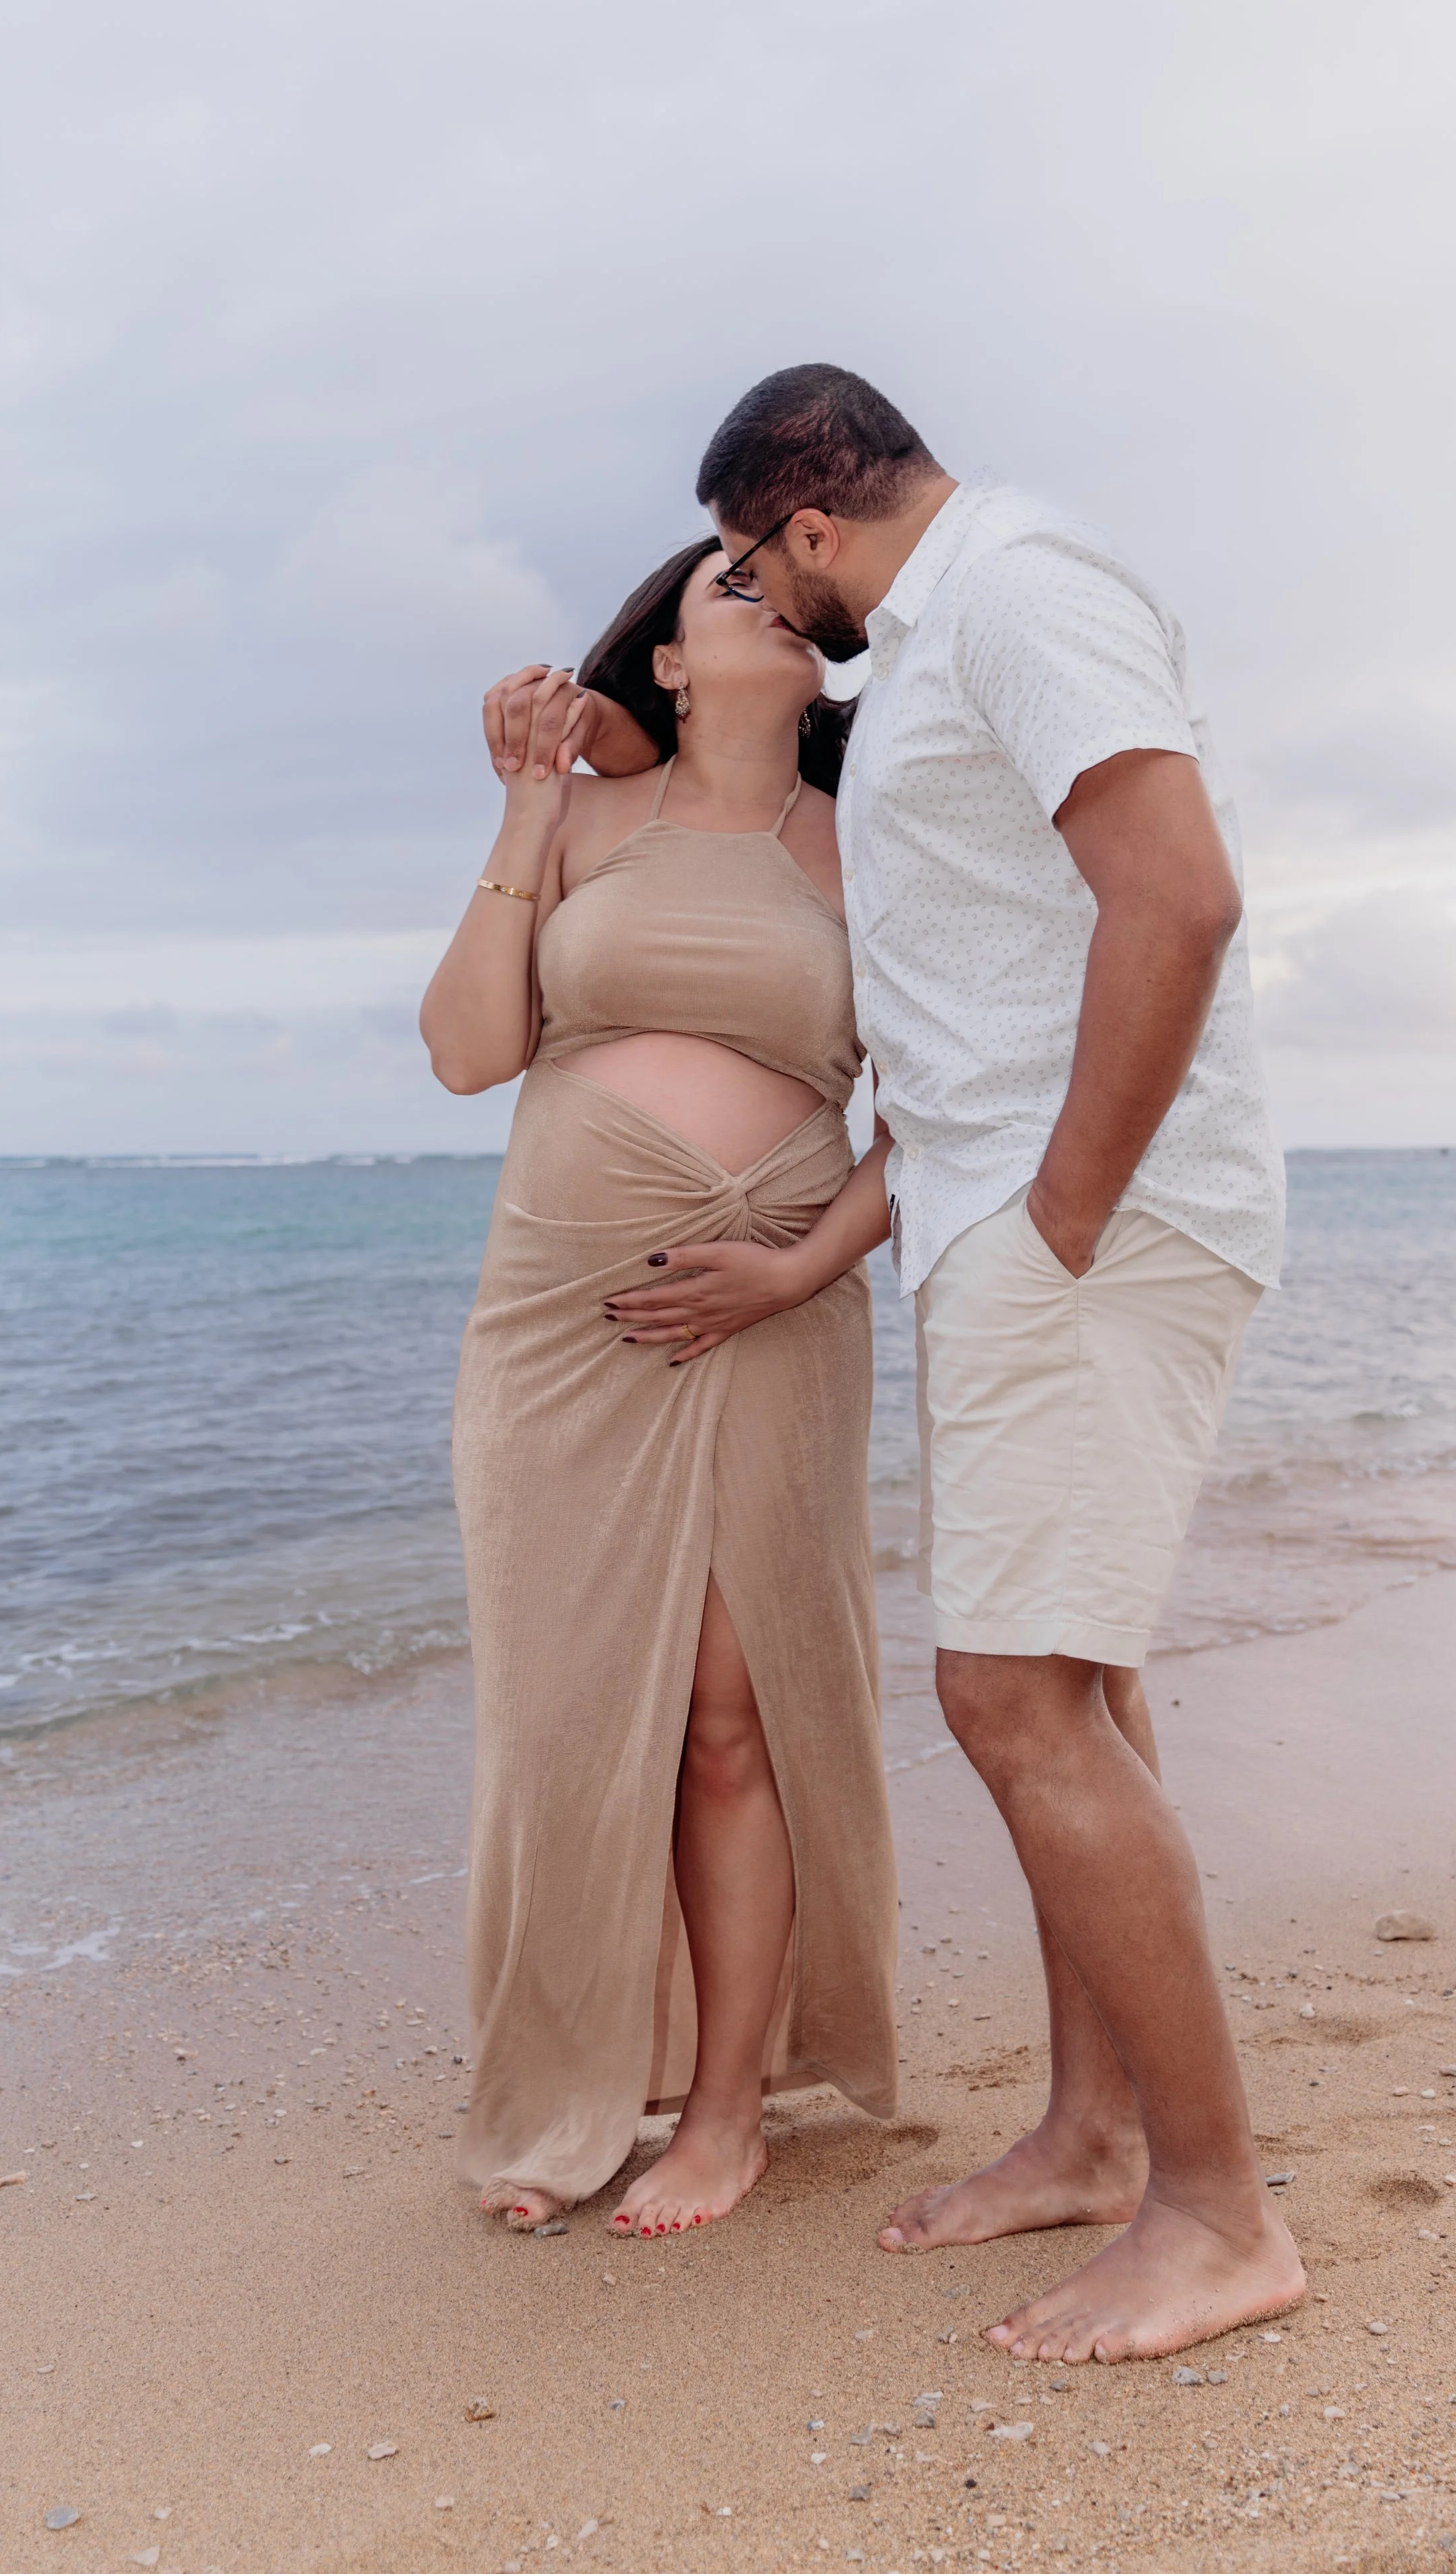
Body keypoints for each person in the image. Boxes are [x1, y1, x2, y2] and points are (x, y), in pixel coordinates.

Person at [495, 364, 1304, 2359]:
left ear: (808, 521)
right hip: (1008, 1231)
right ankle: (1095, 2138)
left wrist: (1061, 1208)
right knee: (1081, 1683)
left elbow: (1179, 894)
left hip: (1073, 1232)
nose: (778, 604)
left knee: (1009, 1700)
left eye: (765, 567)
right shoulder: (944, 636)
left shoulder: (1015, 591)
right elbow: (680, 750)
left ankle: (1217, 2215)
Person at [420, 534, 900, 2238]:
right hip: (563, 1325)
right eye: (721, 586)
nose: (759, 591)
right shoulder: (583, 821)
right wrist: (524, 803)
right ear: (672, 665)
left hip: (770, 1308)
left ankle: (722, 2115)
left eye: (783, 582)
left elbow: (937, 1108)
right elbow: (470, 1050)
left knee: (724, 1715)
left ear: (824, 659)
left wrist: (795, 1266)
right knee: (562, 1726)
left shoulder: (871, 848)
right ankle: (557, 2096)